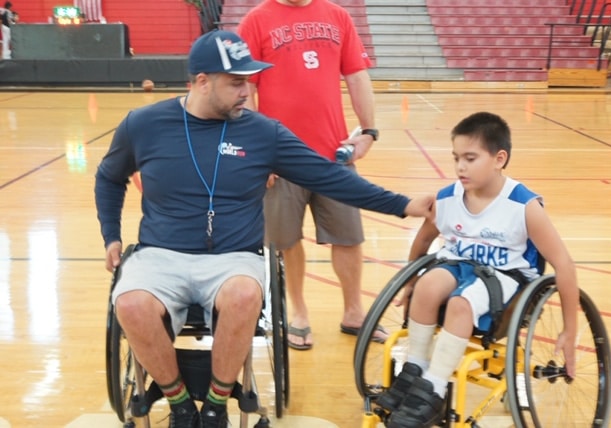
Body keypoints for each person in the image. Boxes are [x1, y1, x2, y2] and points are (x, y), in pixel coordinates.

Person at [94, 30, 433, 428]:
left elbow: (331, 177)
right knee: (130, 303)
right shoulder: (144, 124)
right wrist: (111, 235)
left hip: (234, 258)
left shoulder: (262, 132)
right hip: (160, 254)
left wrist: (403, 206)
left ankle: (218, 405)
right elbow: (109, 177)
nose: (247, 90)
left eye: (249, 81)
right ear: (202, 81)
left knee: (242, 295)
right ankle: (181, 403)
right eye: (236, 82)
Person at [375, 112, 579, 428]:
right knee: (429, 285)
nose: (460, 167)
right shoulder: (447, 198)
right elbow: (423, 242)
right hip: (458, 265)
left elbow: (564, 263)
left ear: (499, 159)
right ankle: (414, 367)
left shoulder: (523, 206)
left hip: (506, 276)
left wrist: (570, 329)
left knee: (462, 302)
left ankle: (434, 388)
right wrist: (412, 279)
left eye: (470, 158)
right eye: (457, 158)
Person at [237, 0, 380, 351]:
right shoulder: (256, 21)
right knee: (285, 240)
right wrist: (257, 150)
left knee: (348, 236)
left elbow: (357, 75)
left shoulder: (338, 17)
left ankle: (354, 312)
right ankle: (298, 312)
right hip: (280, 157)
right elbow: (244, 89)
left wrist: (369, 130)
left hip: (333, 154)